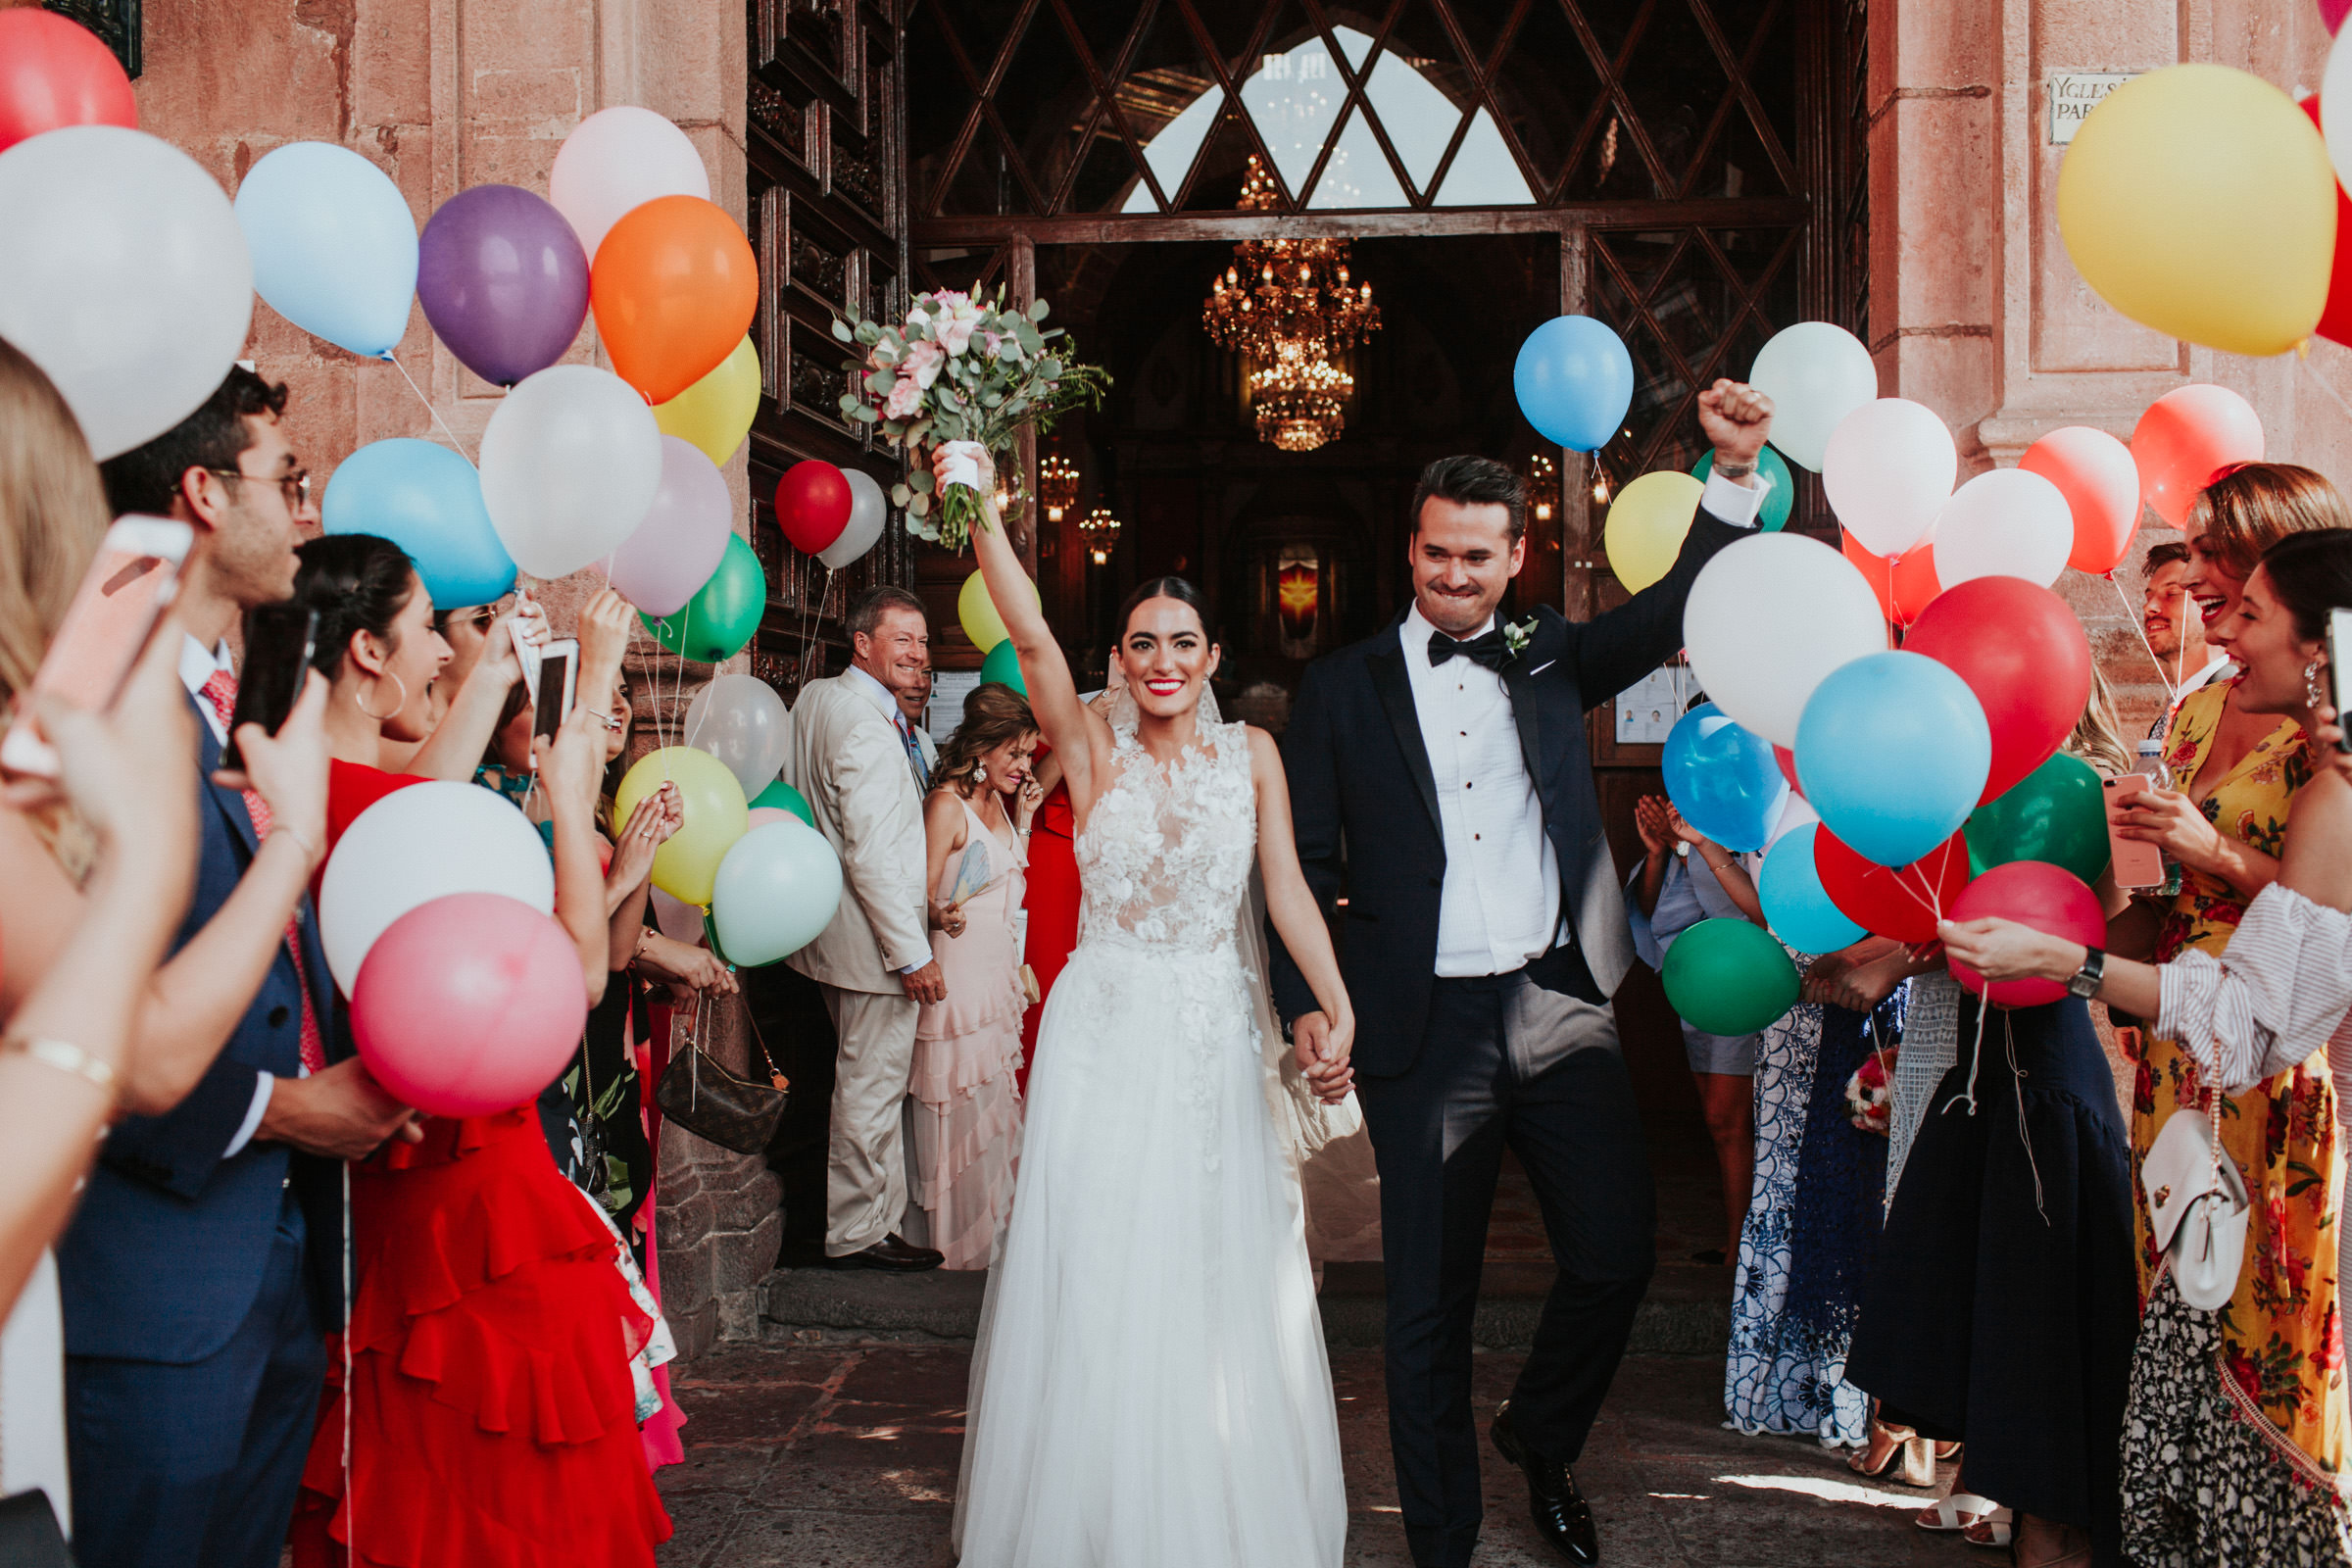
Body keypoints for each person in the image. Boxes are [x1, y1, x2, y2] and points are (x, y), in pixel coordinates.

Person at [1272, 382, 1776, 1568]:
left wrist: (1733, 476)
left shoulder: (1544, 650)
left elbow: (1666, 614)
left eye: (1478, 557)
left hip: (1559, 1000)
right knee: (1426, 1306)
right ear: (1411, 549)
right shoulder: (1341, 688)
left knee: (1616, 1256)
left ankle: (1539, 1436)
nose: (1455, 575)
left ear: (1515, 557)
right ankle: (1441, 1541)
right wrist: (1308, 1003)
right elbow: (1297, 861)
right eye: (1438, 553)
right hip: (1421, 1021)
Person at [954, 445, 1358, 1568]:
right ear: (1120, 663)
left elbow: (1283, 888)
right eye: (1143, 644)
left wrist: (1332, 1002)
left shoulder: (1254, 755)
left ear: (1215, 655)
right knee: (1098, 1263)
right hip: (1106, 1024)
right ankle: (1091, 1522)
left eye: (1184, 642)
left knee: (1220, 1264)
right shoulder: (1087, 749)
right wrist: (978, 506)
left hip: (1215, 1031)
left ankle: (1221, 1512)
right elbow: (1031, 632)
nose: (1164, 661)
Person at [50, 366, 409, 1568]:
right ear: (204, 492)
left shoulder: (234, 700)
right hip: (148, 1273)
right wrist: (282, 1108)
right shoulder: (89, 698)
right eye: (286, 479)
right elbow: (71, 992)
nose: (305, 512)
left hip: (277, 1259)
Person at [1943, 524, 2352, 1565]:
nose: (2226, 633)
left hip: (2273, 1125)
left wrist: (2062, 957)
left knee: (2259, 1416)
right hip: (2198, 1110)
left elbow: (2250, 1020)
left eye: (2247, 612)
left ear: (2320, 650)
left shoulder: (2334, 797)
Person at [263, 532, 671, 1567]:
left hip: (390, 1193)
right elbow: (577, 972)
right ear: (367, 652)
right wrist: (574, 777)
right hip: (473, 1196)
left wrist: (512, 675)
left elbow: (431, 771)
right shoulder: (385, 809)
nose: (443, 654)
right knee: (509, 1475)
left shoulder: (313, 781)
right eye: (428, 631)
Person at [2109, 469, 2352, 1561]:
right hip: (2181, 1046)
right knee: (2178, 1307)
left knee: (2262, 1324)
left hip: (2267, 1058)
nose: (2204, 578)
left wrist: (2208, 854)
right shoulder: (2207, 698)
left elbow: (2285, 978)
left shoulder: (2330, 753)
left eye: (2232, 563)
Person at [783, 586, 948, 1270]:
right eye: (901, 639)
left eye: (924, 640)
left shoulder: (820, 697)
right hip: (871, 944)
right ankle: (857, 1233)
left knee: (860, 1079)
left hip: (826, 931)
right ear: (863, 643)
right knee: (872, 1086)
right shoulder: (863, 727)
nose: (918, 654)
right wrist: (912, 953)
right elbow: (874, 856)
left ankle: (877, 1219)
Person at [907, 682, 1039, 1269]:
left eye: (1028, 753)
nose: (1023, 764)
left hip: (996, 980)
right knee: (953, 1113)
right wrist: (940, 911)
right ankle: (950, 1251)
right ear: (981, 750)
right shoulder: (946, 805)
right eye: (1013, 753)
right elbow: (918, 897)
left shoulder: (1007, 806)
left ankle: (989, 1247)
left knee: (991, 1115)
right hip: (955, 980)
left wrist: (1027, 818)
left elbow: (1010, 878)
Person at [1627, 793, 1763, 1263]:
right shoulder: (1691, 813)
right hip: (1697, 981)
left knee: (1728, 1120)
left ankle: (1740, 1255)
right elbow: (1650, 909)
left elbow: (1757, 907)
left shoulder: (1754, 813)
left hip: (1744, 974)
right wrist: (1659, 851)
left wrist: (1694, 846)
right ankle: (1737, 1242)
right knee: (1718, 1119)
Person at [2141, 540, 2228, 736]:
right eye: (2148, 597)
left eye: (2171, 593)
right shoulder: (2166, 718)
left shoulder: (2235, 698)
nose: (2149, 607)